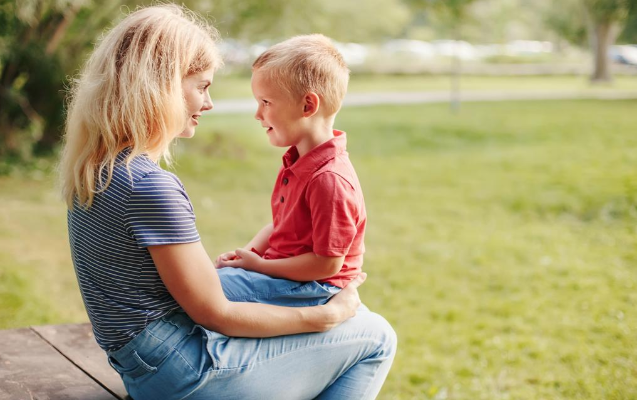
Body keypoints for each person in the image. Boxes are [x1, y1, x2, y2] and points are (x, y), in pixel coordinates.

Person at [59, 5, 396, 400]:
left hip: (142, 366)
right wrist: (324, 316)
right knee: (377, 336)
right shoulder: (149, 186)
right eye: (202, 86)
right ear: (162, 86)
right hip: (182, 375)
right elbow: (215, 313)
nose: (209, 103)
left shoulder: (95, 169)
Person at [215, 35, 366, 309]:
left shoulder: (329, 179)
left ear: (308, 106)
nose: (257, 114)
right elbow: (281, 225)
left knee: (204, 292)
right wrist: (248, 254)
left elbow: (328, 263)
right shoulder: (300, 161)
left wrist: (260, 267)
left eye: (266, 102)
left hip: (315, 288)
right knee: (206, 283)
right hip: (286, 275)